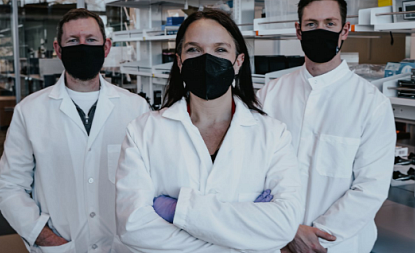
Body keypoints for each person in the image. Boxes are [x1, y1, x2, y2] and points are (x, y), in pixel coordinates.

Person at [115, 10, 303, 252]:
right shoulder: (143, 131)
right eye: (194, 49)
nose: (207, 59)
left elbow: (284, 225)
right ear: (180, 61)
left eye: (220, 50)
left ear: (238, 62)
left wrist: (177, 211)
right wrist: (245, 232)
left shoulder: (273, 134)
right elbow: (133, 227)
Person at [0, 8, 149, 253]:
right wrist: (46, 238)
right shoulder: (30, 111)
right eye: (73, 41)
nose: (83, 46)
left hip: (122, 245)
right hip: (61, 245)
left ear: (106, 47)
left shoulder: (136, 108)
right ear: (58, 49)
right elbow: (9, 186)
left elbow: (149, 182)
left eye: (91, 40)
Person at [257, 1, 396, 253]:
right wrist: (287, 230)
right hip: (275, 238)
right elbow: (252, 170)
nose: (320, 31)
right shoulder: (269, 95)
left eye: (330, 24)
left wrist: (315, 237)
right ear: (299, 31)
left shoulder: (371, 104)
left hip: (338, 244)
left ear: (345, 30)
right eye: (312, 24)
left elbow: (370, 188)